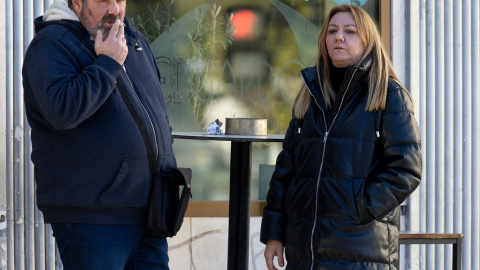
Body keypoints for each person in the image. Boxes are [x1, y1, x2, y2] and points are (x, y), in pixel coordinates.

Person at [260, 4, 422, 270]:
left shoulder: (389, 95)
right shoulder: (310, 96)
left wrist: (359, 208)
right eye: (332, 30)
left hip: (361, 251)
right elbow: (285, 170)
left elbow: (406, 169)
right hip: (305, 253)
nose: (339, 37)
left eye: (350, 31)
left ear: (368, 41)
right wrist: (274, 233)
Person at [22, 0, 177, 269]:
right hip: (94, 218)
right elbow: (63, 111)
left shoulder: (133, 40)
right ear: (77, 2)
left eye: (119, 0)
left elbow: (157, 114)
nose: (115, 9)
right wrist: (107, 63)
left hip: (150, 211)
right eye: (104, 0)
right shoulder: (51, 44)